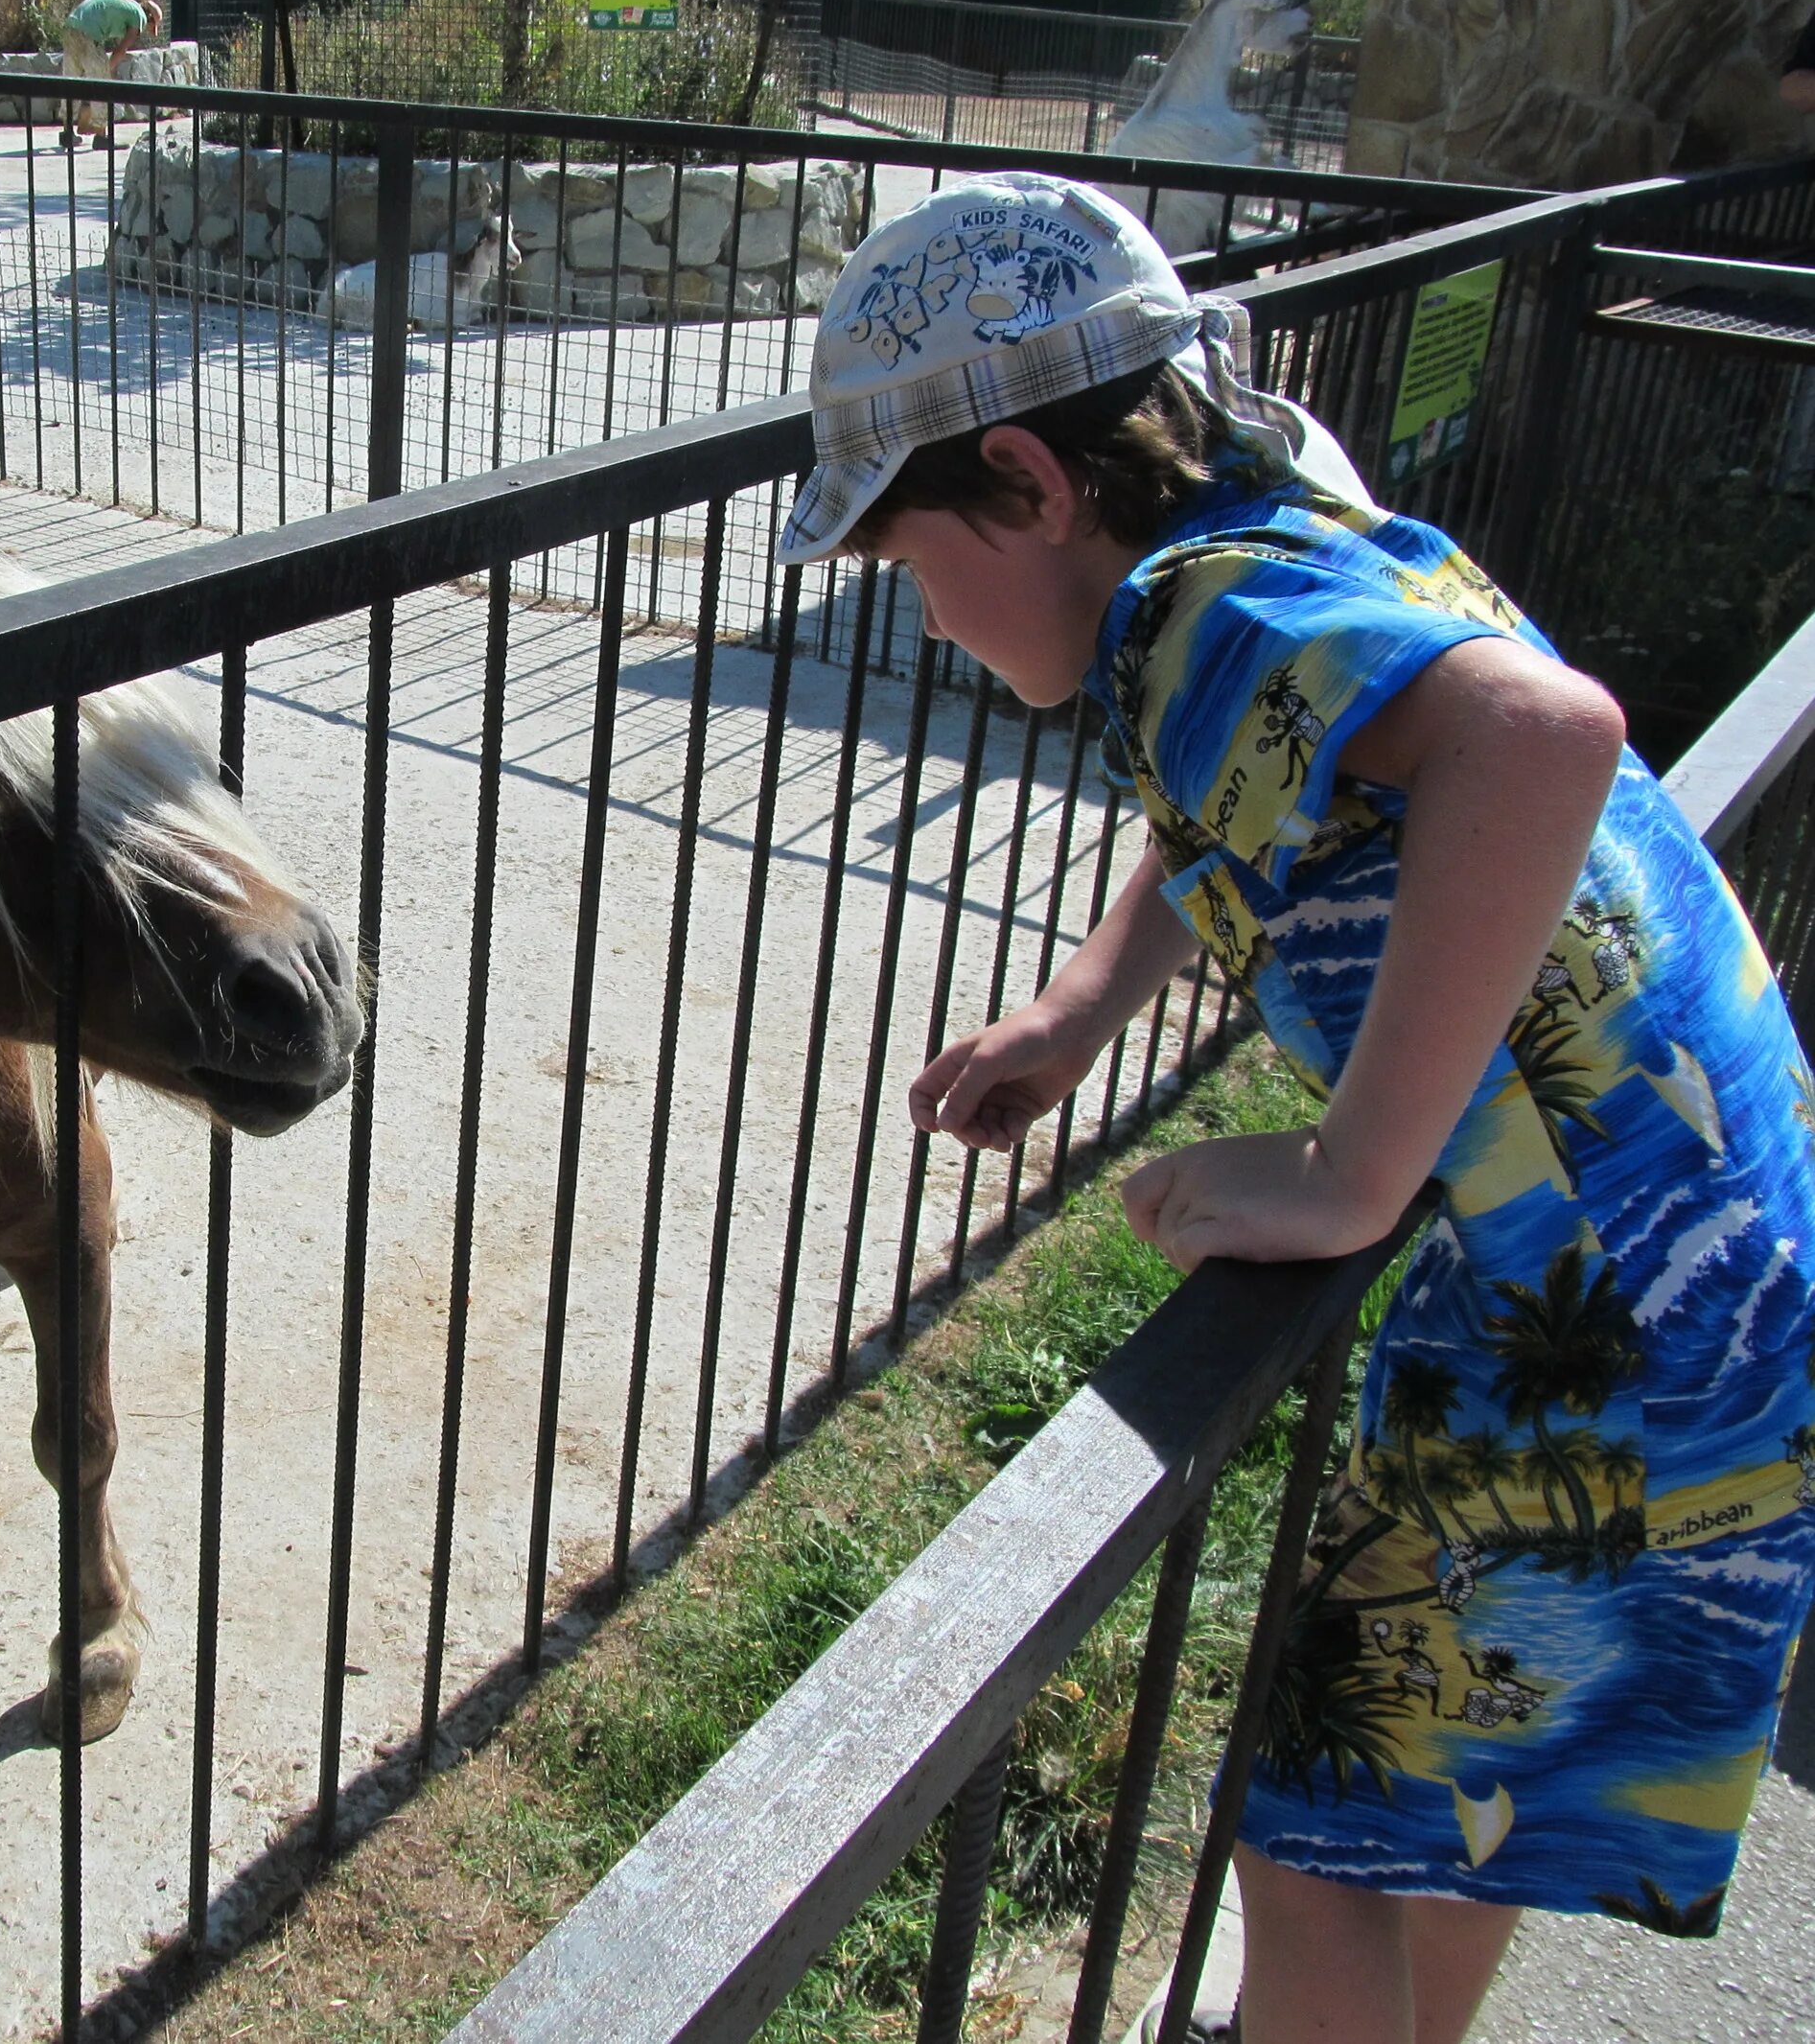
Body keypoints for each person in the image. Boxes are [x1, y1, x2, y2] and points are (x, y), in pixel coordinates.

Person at [776, 174, 1815, 2044]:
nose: (925, 619)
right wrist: (1090, 1002)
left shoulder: (1199, 613)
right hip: (1727, 1266)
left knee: (1311, 1842)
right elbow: (1297, 787)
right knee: (1462, 1827)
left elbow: (1541, 734)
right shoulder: (1284, 535)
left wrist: (1357, 1167)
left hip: (1596, 1321)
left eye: (914, 560)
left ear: (1025, 480)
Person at [58, 0, 163, 150]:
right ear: (149, 17)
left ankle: (67, 133)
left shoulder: (126, 6)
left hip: (71, 26)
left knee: (72, 81)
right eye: (151, 26)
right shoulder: (139, 16)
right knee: (103, 87)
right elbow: (121, 50)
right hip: (88, 33)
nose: (147, 30)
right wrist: (106, 71)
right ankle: (101, 137)